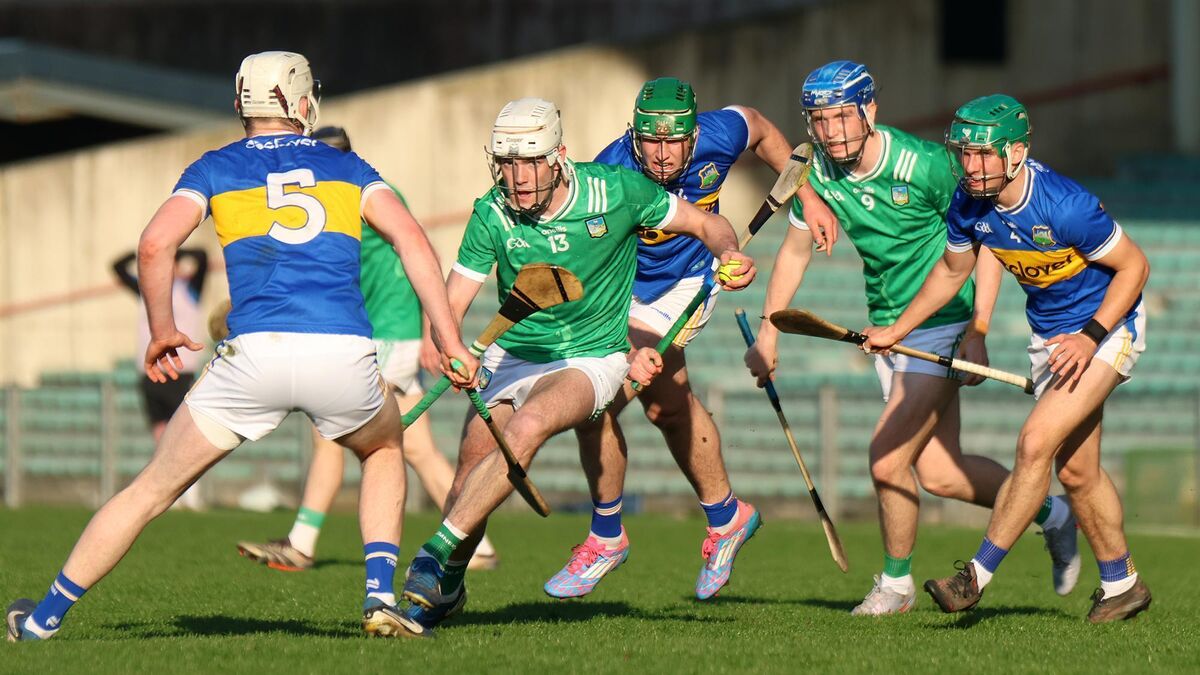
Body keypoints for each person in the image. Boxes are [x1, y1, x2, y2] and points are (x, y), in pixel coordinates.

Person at [4, 51, 474, 642]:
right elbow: (412, 241)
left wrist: (162, 329)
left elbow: (153, 246)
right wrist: (447, 337)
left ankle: (42, 620)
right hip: (341, 353)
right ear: (303, 103)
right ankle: (379, 596)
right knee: (382, 449)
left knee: (150, 490)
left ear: (239, 104)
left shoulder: (215, 166)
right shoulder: (347, 165)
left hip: (253, 355)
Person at [372, 97, 755, 638]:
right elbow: (451, 304)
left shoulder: (616, 192)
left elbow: (707, 224)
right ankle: (449, 587)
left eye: (530, 163)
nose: (518, 178)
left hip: (591, 356)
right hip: (514, 352)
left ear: (559, 157)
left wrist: (730, 253)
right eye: (508, 164)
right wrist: (450, 346)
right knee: (468, 477)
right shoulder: (491, 213)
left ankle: (433, 556)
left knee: (530, 424)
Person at [745, 62, 1078, 616]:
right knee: (941, 474)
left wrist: (978, 329)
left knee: (886, 461)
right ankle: (1054, 514)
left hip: (944, 320)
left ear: (870, 111)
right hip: (887, 328)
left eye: (842, 117)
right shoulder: (816, 173)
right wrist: (768, 336)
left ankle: (895, 586)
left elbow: (986, 238)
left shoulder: (925, 164)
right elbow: (795, 252)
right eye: (820, 121)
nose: (831, 132)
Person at [548, 77, 840, 601]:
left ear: (694, 136)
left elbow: (761, 129)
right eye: (650, 141)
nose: (662, 155)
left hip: (688, 284)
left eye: (673, 143)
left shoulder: (720, 133)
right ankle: (728, 518)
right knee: (667, 407)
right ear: (635, 136)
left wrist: (809, 198)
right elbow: (586, 264)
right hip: (621, 289)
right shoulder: (611, 170)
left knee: (597, 402)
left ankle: (606, 536)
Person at [866, 94, 1152, 623]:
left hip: (1107, 328)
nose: (971, 165)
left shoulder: (1065, 205)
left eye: (984, 154)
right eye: (965, 153)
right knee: (1078, 473)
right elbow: (952, 272)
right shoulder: (969, 202)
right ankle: (1123, 584)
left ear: (1017, 152)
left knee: (1034, 442)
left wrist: (1090, 337)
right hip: (1051, 336)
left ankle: (974, 577)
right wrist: (896, 331)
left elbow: (1135, 267)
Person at [234, 125, 498, 572]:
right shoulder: (370, 187)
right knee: (417, 449)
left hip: (383, 335)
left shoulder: (339, 193)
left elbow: (414, 252)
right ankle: (478, 543)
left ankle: (301, 543)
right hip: (390, 331)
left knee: (327, 435)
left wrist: (431, 331)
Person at [112, 247, 209, 510]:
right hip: (151, 373)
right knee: (160, 435)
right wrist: (146, 251)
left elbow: (202, 257)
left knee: (183, 435)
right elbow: (118, 267)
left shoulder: (189, 288)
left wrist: (172, 248)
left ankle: (192, 492)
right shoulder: (148, 292)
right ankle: (170, 494)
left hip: (180, 372)